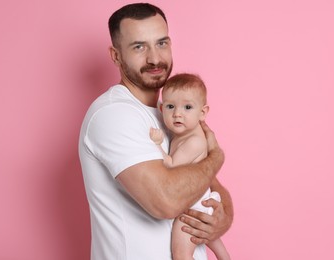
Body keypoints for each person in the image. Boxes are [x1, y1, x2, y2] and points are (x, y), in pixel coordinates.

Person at [78, 3, 233, 260]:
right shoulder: (113, 114)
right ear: (115, 56)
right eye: (139, 47)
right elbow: (167, 201)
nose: (154, 58)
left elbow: (208, 183)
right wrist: (215, 157)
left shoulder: (172, 114)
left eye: (161, 43)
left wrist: (222, 216)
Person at [149, 73, 231, 260]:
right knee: (210, 238)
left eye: (187, 107)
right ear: (161, 109)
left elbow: (170, 165)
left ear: (202, 113)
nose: (177, 114)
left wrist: (156, 144)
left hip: (193, 208)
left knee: (181, 255)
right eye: (170, 107)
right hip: (201, 202)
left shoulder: (194, 142)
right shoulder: (185, 134)